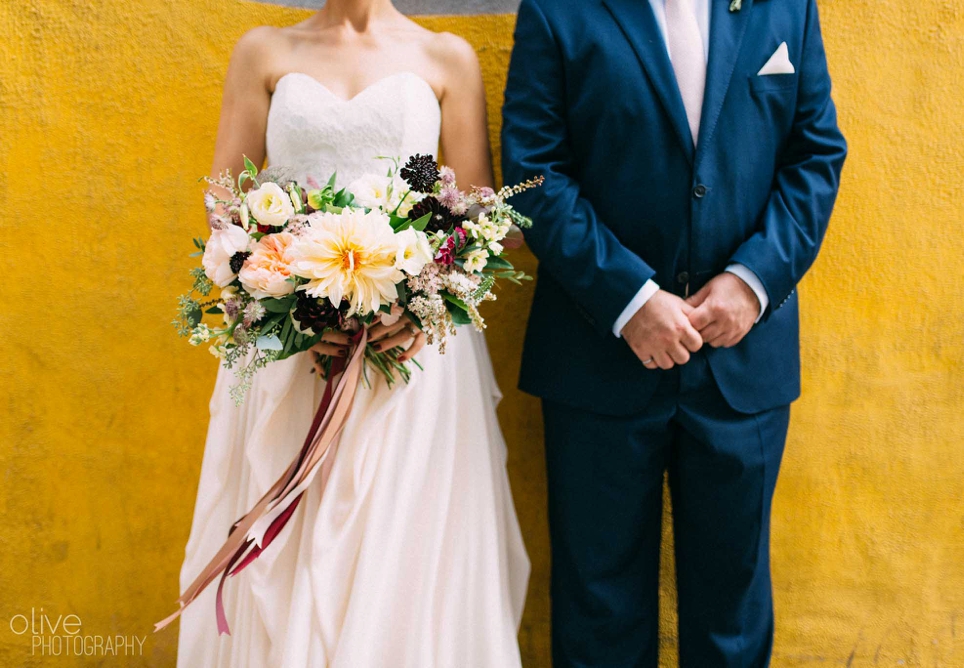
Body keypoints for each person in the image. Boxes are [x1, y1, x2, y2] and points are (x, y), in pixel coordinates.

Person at [177, 2, 529, 665]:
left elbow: (480, 217)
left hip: (411, 357)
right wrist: (288, 293)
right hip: (289, 347)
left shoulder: (447, 57)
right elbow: (224, 203)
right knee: (282, 548)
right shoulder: (264, 51)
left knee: (402, 539)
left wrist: (418, 298)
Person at [502, 0, 847, 665]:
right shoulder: (555, 10)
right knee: (598, 609)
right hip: (595, 358)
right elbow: (533, 172)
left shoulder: (788, 8)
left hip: (741, 362)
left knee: (733, 619)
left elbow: (815, 155)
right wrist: (629, 300)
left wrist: (753, 280)